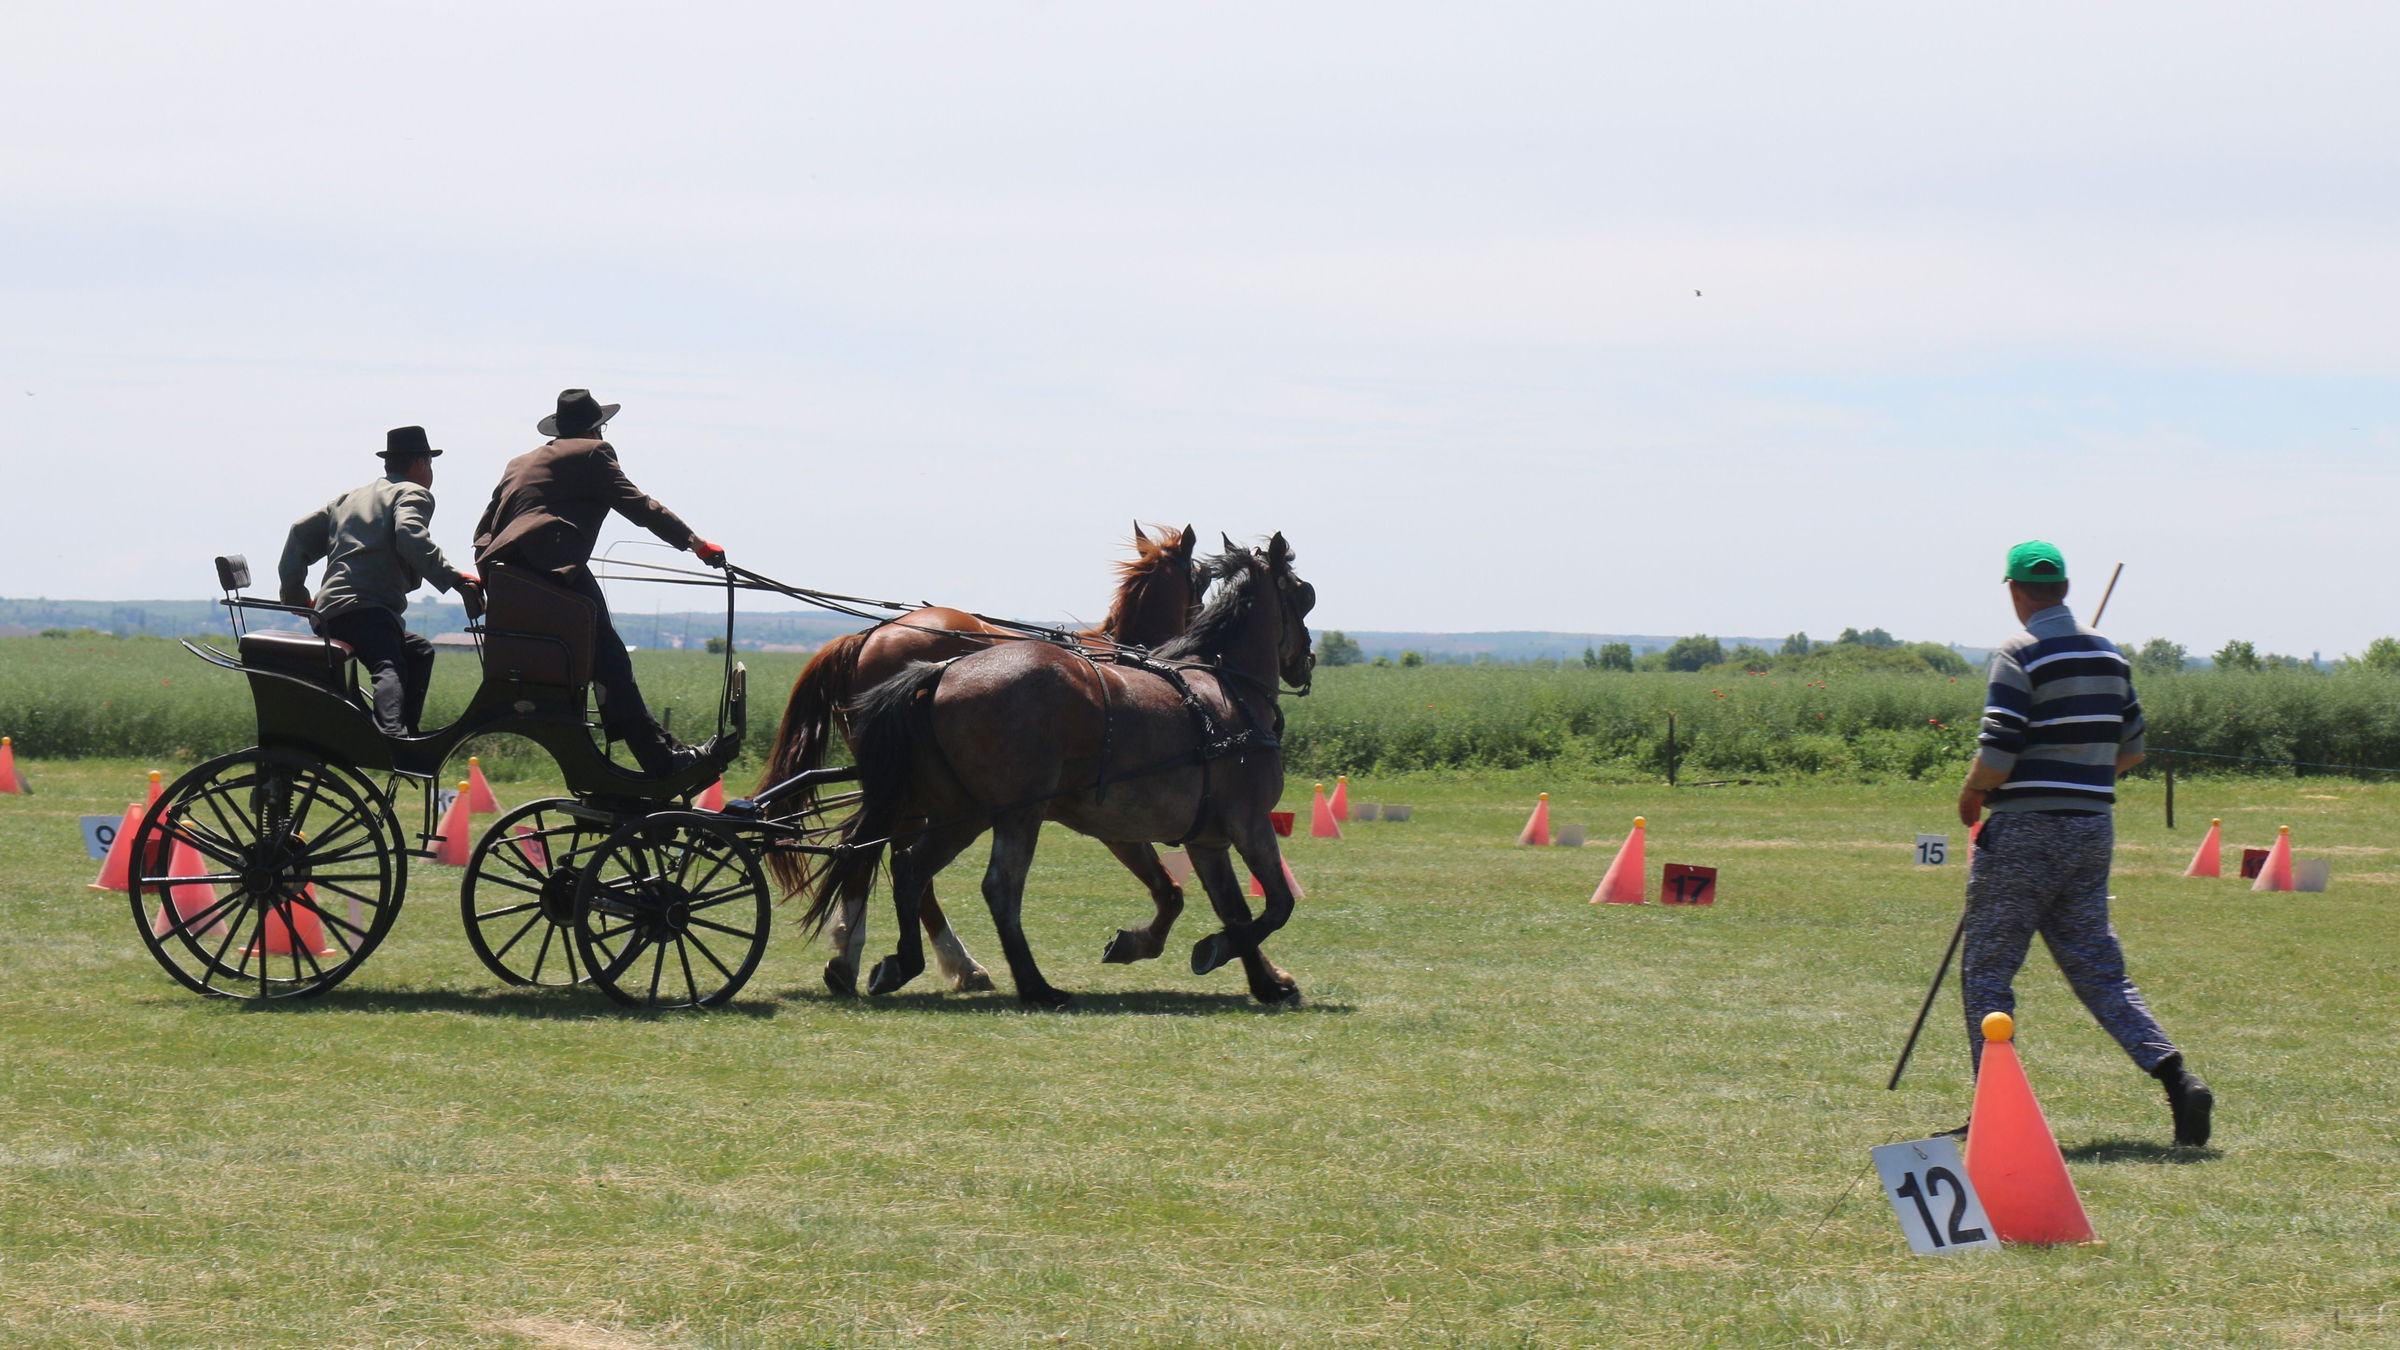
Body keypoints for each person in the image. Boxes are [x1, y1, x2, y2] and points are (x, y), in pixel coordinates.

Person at [1953, 540, 2213, 1147]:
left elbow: (1997, 750)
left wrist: (1972, 797)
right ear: (2064, 589)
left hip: (2024, 831)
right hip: (2092, 829)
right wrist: (2080, 777)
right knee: (2100, 971)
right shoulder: (2110, 655)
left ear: (2016, 592)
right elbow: (2133, 750)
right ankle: (2177, 1078)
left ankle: (1996, 1114)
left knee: (1988, 971)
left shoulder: (2019, 653)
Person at [473, 389, 726, 777]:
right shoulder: (593, 453)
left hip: (511, 579)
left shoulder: (519, 462)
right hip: (554, 573)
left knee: (604, 659)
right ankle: (661, 760)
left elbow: (485, 529)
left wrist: (496, 579)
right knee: (610, 658)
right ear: (596, 429)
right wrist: (695, 544)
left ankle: (661, 750)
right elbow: (639, 505)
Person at [278, 426, 483, 737]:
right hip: (367, 610)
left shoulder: (349, 498)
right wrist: (454, 579)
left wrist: (296, 597)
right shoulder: (413, 493)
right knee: (388, 664)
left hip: (329, 614)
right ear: (420, 463)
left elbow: (298, 534)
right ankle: (393, 737)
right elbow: (410, 538)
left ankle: (407, 729)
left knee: (419, 652)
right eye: (429, 463)